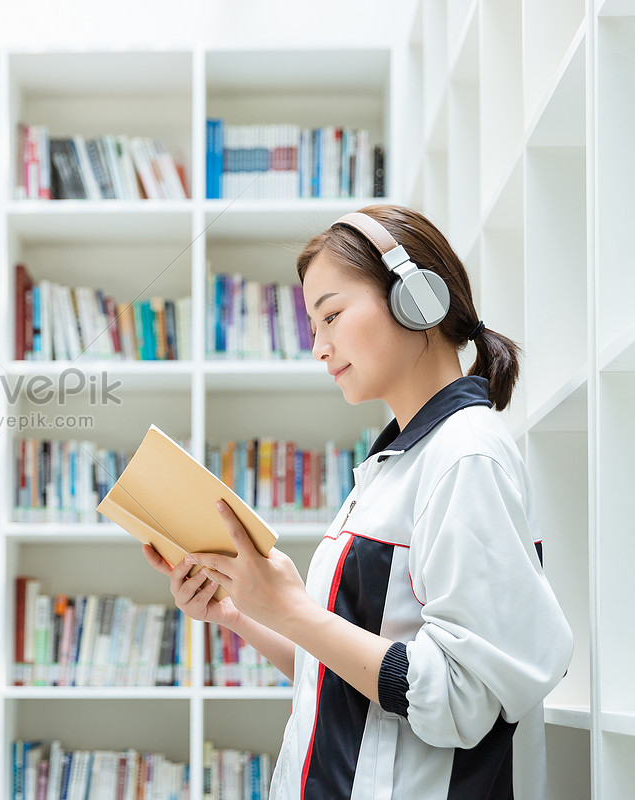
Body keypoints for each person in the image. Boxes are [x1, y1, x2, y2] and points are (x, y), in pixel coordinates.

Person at [143, 204, 572, 800]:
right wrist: (243, 611)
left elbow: (464, 697)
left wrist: (293, 609)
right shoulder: (393, 466)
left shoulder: (466, 455)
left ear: (416, 299)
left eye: (333, 315)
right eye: (313, 328)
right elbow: (346, 681)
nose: (319, 347)